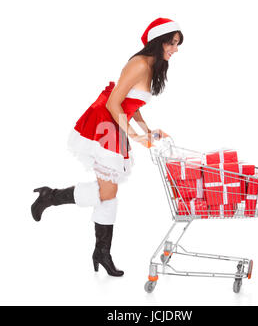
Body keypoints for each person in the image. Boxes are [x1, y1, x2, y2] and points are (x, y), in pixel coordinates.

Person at [31, 17, 184, 277]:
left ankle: (101, 251)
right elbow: (114, 104)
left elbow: (131, 105)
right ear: (158, 41)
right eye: (172, 43)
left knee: (108, 194)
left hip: (116, 125)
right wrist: (136, 138)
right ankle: (51, 198)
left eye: (177, 44)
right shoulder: (139, 65)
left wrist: (148, 131)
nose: (175, 49)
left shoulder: (151, 65)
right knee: (107, 192)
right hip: (105, 124)